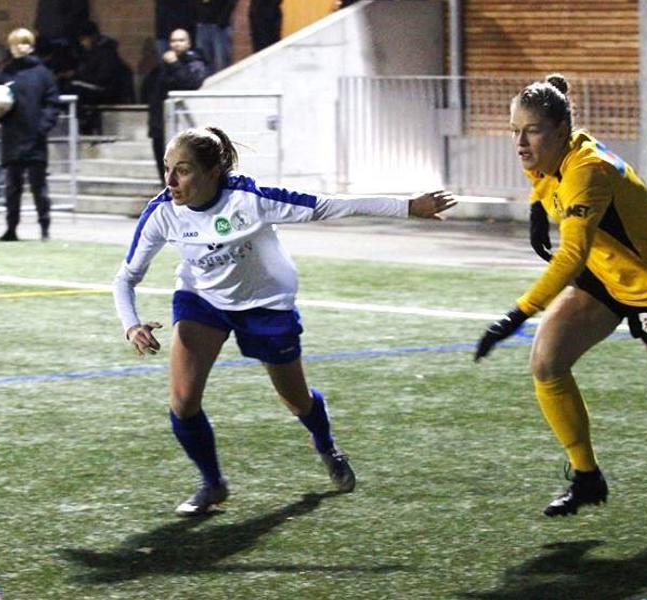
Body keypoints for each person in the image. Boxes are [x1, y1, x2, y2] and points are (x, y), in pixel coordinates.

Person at [112, 126, 457, 516]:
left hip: (265, 303)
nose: (171, 180)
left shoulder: (251, 200)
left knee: (296, 399)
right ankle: (211, 483)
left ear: (212, 173)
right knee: (183, 401)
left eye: (183, 170)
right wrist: (132, 323)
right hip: (202, 300)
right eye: (167, 168)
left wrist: (409, 207)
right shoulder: (163, 213)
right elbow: (126, 277)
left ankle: (325, 444)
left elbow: (329, 204)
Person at [473, 74, 647, 518]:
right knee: (547, 363)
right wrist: (536, 208)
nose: (519, 142)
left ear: (559, 131)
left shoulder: (586, 171)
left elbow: (571, 255)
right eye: (514, 129)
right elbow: (540, 178)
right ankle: (587, 477)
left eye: (530, 130)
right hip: (605, 275)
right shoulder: (550, 151)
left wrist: (517, 314)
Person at [0, 27, 60, 242]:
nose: (20, 47)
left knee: (39, 187)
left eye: (24, 43)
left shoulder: (43, 74)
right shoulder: (5, 73)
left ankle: (44, 226)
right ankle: (11, 228)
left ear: (31, 46)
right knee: (12, 187)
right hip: (12, 138)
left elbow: (52, 103)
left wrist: (42, 127)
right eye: (16, 43)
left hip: (36, 139)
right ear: (10, 47)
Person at [145, 28, 208, 185]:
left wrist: (174, 64)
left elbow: (191, 83)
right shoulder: (163, 66)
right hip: (160, 122)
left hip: (180, 125)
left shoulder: (194, 62)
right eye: (173, 41)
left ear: (188, 43)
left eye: (181, 40)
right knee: (163, 166)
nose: (176, 44)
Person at [194, 0, 237, 74]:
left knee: (222, 64)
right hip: (201, 23)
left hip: (220, 27)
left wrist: (222, 19)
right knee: (203, 63)